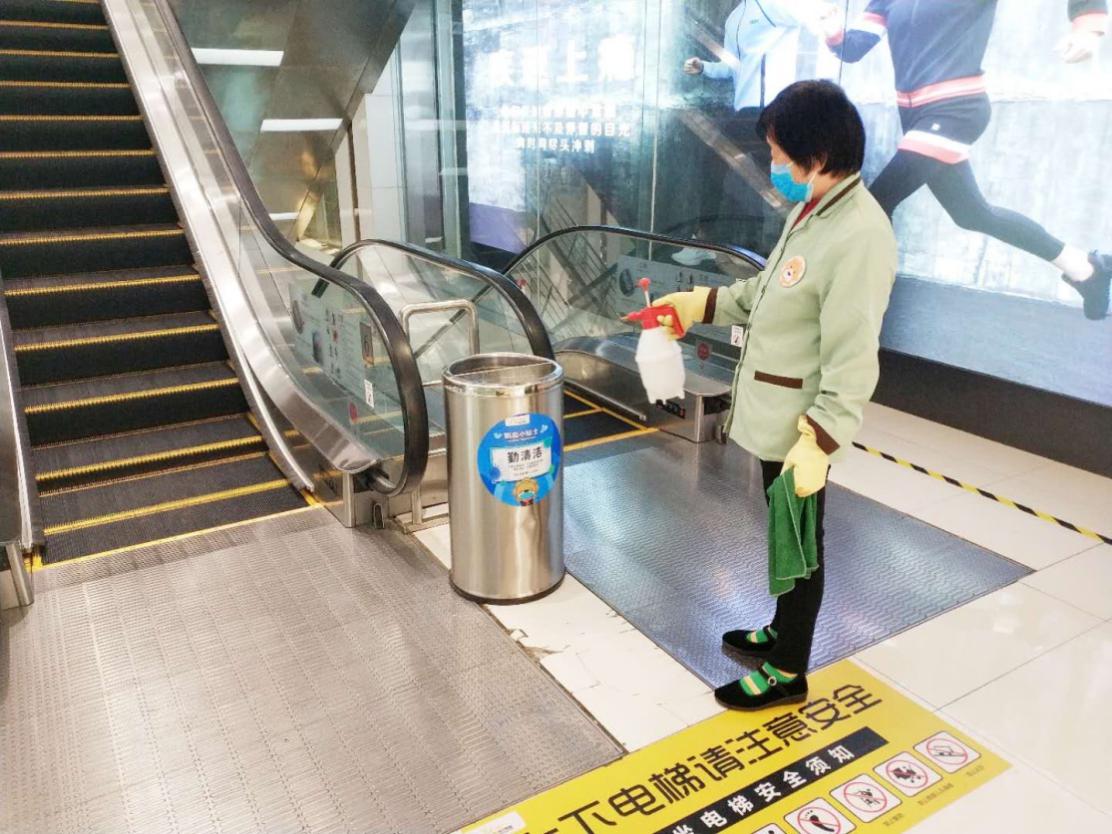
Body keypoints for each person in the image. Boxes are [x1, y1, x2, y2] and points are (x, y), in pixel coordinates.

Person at [654, 80, 898, 710]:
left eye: (780, 154)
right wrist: (701, 303)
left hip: (801, 428)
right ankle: (782, 627)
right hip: (775, 416)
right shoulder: (813, 211)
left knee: (801, 544)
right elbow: (767, 293)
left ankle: (788, 670)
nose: (774, 165)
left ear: (818, 156)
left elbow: (853, 352)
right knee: (785, 534)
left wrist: (821, 438)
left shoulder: (860, 235)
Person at [823, 0, 1111, 319]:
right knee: (971, 214)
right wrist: (834, 32)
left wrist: (1088, 24)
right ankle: (1085, 269)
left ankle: (855, 310)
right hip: (917, 117)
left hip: (955, 109)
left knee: (874, 204)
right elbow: (853, 48)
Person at [673, 1, 833, 264]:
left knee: (775, 179)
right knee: (728, 169)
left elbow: (816, 18)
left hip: (774, 107)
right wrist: (704, 67)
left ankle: (793, 248)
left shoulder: (774, 5)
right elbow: (732, 66)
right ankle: (712, 241)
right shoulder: (735, 17)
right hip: (748, 111)